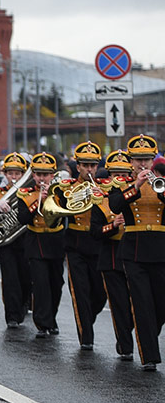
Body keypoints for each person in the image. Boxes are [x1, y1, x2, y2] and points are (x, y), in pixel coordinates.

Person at [109, 134, 165, 371]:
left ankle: (148, 334)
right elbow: (114, 205)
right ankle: (149, 355)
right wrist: (137, 185)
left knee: (160, 305)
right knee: (142, 303)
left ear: (153, 160)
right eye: (138, 160)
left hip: (161, 248)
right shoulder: (121, 184)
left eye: (147, 160)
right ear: (131, 161)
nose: (143, 164)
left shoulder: (163, 182)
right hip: (133, 249)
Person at [16, 153, 66, 339]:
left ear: (53, 175)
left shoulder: (60, 192)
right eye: (38, 174)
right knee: (40, 283)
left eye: (46, 175)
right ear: (33, 176)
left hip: (55, 240)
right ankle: (42, 323)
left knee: (56, 283)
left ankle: (52, 318)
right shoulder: (25, 194)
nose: (42, 178)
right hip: (35, 240)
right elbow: (23, 218)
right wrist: (38, 201)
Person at [93, 150, 136, 362]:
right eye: (115, 173)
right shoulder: (101, 196)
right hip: (111, 255)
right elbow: (94, 231)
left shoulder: (140, 189)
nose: (119, 177)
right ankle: (125, 345)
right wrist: (113, 225)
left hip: (138, 252)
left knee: (140, 303)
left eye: (124, 172)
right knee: (118, 304)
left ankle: (132, 331)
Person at [65, 141, 107, 350]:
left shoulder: (105, 188)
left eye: (93, 165)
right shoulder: (68, 188)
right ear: (78, 166)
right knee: (80, 290)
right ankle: (86, 338)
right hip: (75, 243)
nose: (89, 169)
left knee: (100, 293)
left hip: (98, 243)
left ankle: (87, 319)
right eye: (85, 165)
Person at [0, 153, 33, 328]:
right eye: (10, 173)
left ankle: (24, 302)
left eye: (18, 174)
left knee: (26, 277)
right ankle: (12, 315)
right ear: (5, 174)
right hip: (6, 242)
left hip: (25, 239)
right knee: (10, 277)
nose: (14, 177)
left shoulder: (28, 191)